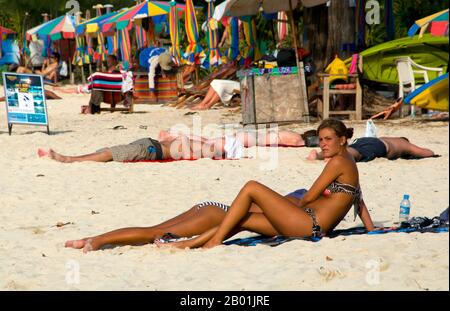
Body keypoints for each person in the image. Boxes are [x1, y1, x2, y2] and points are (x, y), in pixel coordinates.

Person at [65, 119, 375, 252]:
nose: (322, 145)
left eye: (328, 140)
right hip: (300, 222)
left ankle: (96, 239)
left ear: (343, 140)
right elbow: (357, 201)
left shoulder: (338, 162)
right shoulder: (347, 165)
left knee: (250, 189)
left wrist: (290, 202)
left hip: (308, 225)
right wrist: (371, 230)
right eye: (320, 140)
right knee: (222, 219)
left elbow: (307, 197)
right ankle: (97, 240)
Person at [39, 128, 310, 164]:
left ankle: (69, 159)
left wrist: (228, 157)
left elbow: (214, 151)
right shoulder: (201, 145)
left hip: (151, 150)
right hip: (150, 144)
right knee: (110, 149)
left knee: (112, 154)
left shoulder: (205, 150)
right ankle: (75, 158)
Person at [307, 136, 437, 162]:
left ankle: (319, 155)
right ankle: (342, 157)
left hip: (364, 139)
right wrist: (431, 153)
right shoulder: (404, 144)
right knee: (358, 154)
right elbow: (425, 152)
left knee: (353, 148)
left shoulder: (390, 138)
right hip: (379, 146)